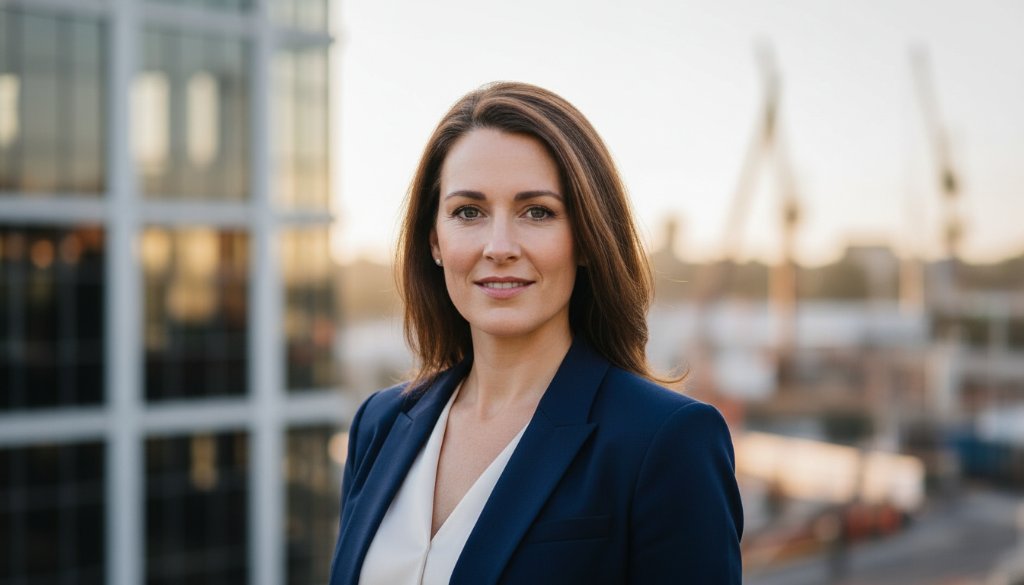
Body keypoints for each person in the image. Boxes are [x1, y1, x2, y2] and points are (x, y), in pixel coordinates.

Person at [328, 82, 743, 585]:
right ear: (434, 239)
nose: (499, 246)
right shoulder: (380, 423)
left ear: (587, 239)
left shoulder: (666, 441)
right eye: (468, 212)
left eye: (537, 212)